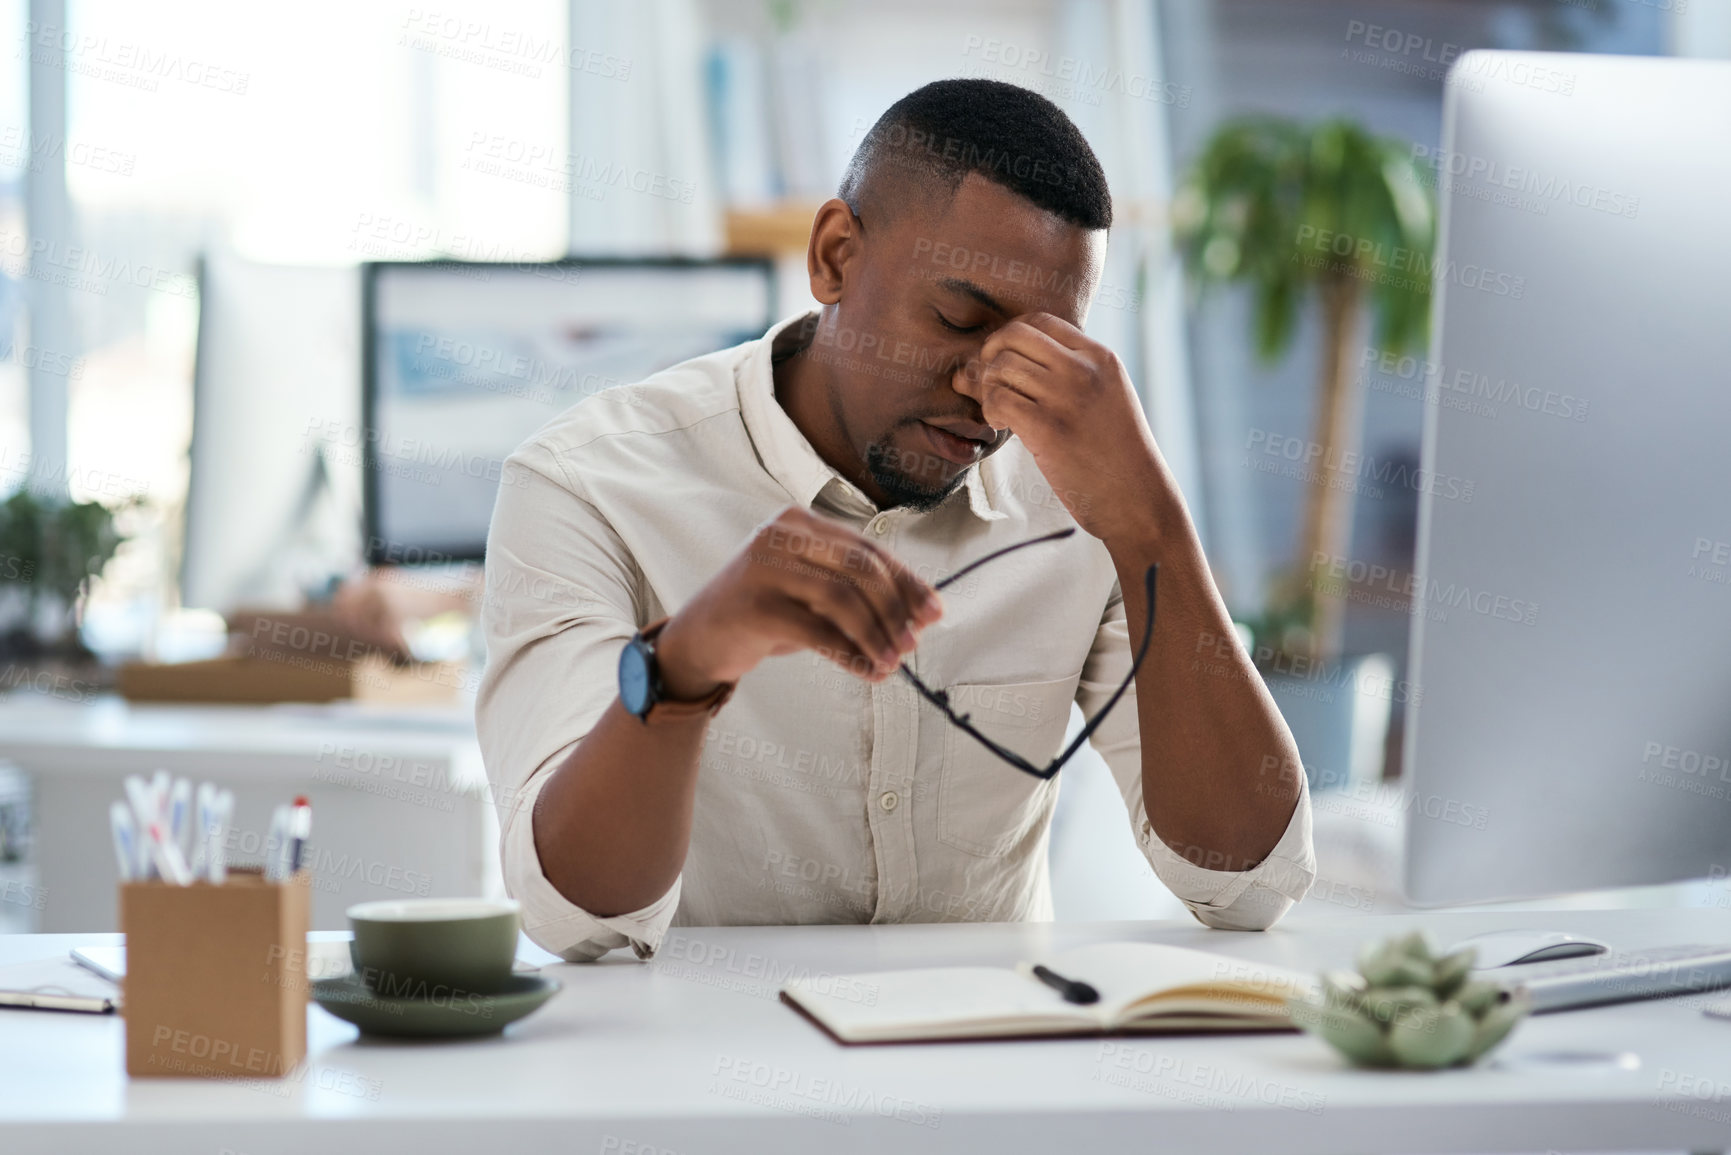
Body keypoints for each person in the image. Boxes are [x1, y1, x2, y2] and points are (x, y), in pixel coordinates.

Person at [477, 79, 1314, 962]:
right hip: (704, 1072)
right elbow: (575, 915)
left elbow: (1246, 884)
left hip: (985, 1062)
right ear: (834, 255)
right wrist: (685, 662)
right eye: (958, 318)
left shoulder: (1085, 495)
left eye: (1039, 351)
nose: (987, 395)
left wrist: (1153, 528)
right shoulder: (587, 481)